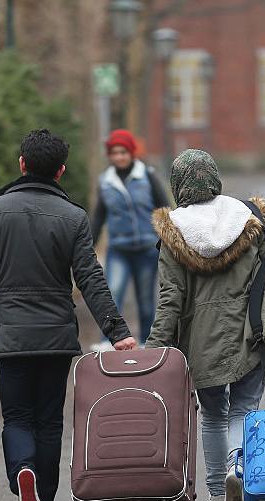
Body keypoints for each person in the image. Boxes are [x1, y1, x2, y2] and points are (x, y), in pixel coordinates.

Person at [0, 129, 136, 501]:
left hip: (12, 335)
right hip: (56, 336)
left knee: (17, 416)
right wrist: (116, 330)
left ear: (21, 164)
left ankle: (24, 475)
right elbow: (90, 277)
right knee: (50, 420)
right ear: (61, 170)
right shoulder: (72, 216)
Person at [145, 149, 265, 501]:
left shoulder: (174, 233)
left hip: (200, 343)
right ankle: (241, 469)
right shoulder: (248, 220)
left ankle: (219, 496)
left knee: (214, 416)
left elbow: (171, 300)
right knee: (244, 410)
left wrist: (154, 351)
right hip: (251, 332)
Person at [90, 129, 171, 348]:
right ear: (110, 155)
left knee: (145, 300)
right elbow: (98, 217)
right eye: (114, 152)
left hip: (146, 248)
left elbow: (164, 207)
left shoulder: (147, 175)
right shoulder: (105, 181)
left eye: (123, 152)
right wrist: (87, 247)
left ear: (131, 152)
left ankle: (147, 341)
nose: (119, 157)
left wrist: (168, 240)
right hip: (119, 249)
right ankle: (109, 340)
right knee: (113, 293)